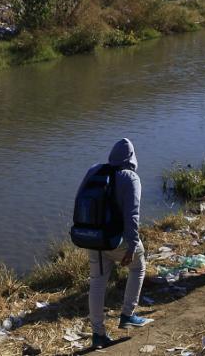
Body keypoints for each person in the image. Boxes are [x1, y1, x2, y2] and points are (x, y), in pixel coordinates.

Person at [80, 139, 154, 349]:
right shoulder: (130, 177)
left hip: (93, 237)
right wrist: (132, 245)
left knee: (96, 282)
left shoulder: (95, 171)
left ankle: (98, 334)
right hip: (115, 239)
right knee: (138, 267)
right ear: (132, 158)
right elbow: (132, 215)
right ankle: (128, 314)